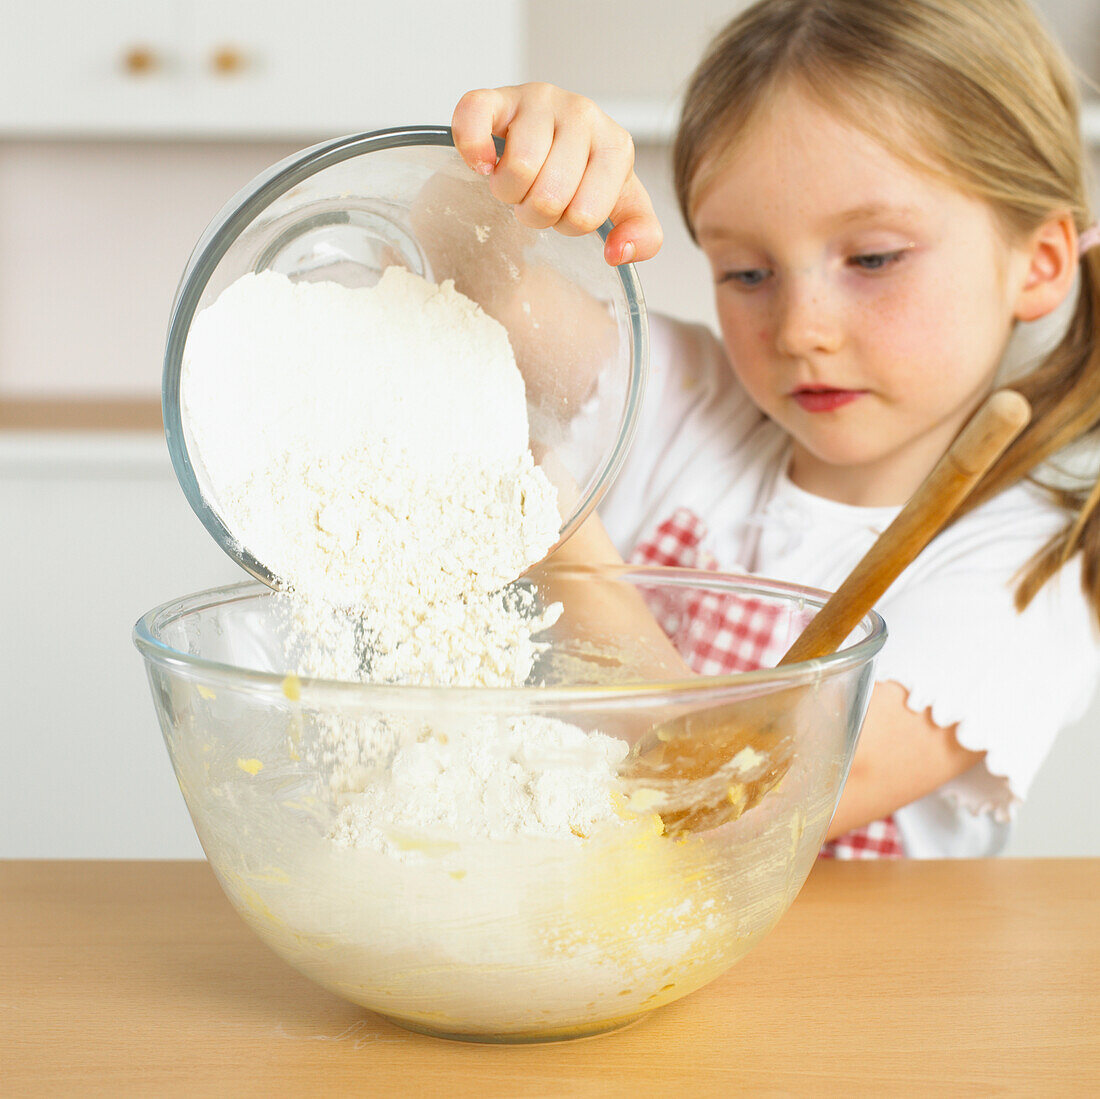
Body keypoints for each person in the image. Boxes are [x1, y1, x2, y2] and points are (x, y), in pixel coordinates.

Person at [449, 0, 1100, 858]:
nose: (801, 328)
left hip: (837, 990)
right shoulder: (691, 402)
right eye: (747, 271)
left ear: (1039, 264)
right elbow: (455, 279)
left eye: (872, 259)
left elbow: (736, 809)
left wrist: (567, 558)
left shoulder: (1028, 570)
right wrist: (515, 170)